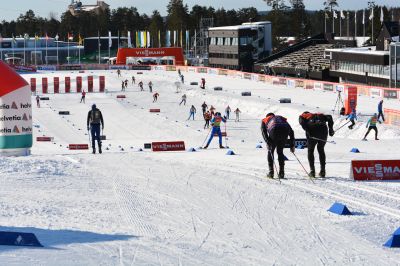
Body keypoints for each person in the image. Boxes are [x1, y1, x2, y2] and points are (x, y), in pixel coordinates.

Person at [299, 112, 334, 178]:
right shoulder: (320, 114)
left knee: (310, 150)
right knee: (321, 149)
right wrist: (331, 129)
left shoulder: (304, 115)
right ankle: (323, 171)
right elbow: (329, 117)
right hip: (323, 130)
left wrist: (307, 130)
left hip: (312, 130)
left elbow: (301, 122)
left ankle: (312, 171)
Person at [261, 113, 295, 179]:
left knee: (271, 151)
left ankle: (271, 172)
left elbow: (263, 131)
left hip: (274, 131)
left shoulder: (265, 120)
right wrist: (292, 145)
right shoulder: (281, 118)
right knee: (280, 152)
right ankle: (281, 173)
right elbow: (291, 131)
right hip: (285, 131)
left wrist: (268, 142)